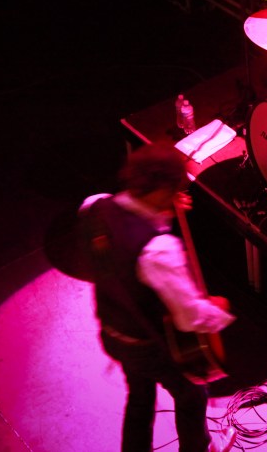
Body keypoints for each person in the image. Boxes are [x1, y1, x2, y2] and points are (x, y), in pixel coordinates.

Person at [79, 142, 237, 452]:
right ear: (165, 188)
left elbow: (123, 243)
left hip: (113, 332)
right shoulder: (160, 251)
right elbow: (190, 317)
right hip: (149, 344)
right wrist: (218, 309)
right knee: (192, 393)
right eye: (174, 189)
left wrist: (163, 212)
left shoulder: (96, 206)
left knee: (140, 395)